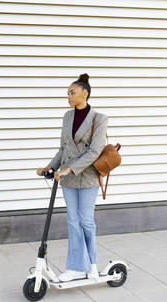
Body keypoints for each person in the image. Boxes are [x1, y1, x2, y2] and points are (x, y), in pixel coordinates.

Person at [36, 73, 108, 282]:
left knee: (86, 221)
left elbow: (95, 152)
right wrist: (49, 166)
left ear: (85, 94)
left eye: (72, 92)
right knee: (73, 221)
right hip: (66, 178)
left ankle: (91, 264)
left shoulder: (99, 119)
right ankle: (77, 267)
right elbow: (63, 149)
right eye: (67, 93)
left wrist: (69, 169)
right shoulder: (67, 116)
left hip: (87, 178)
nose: (68, 96)